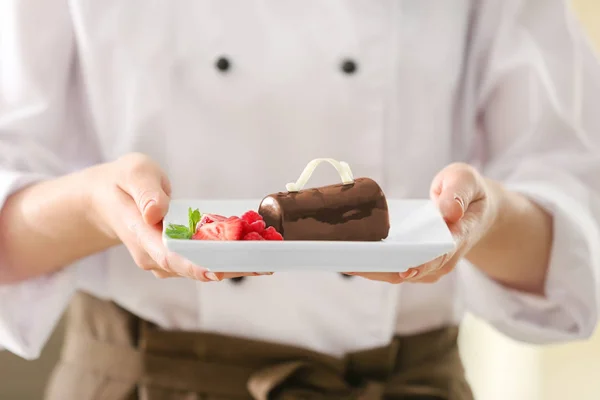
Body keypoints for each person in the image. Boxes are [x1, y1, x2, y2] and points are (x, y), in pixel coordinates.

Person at [1, 0, 600, 399]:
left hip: (402, 383)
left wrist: (484, 218)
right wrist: (93, 205)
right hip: (144, 383)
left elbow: (573, 228)